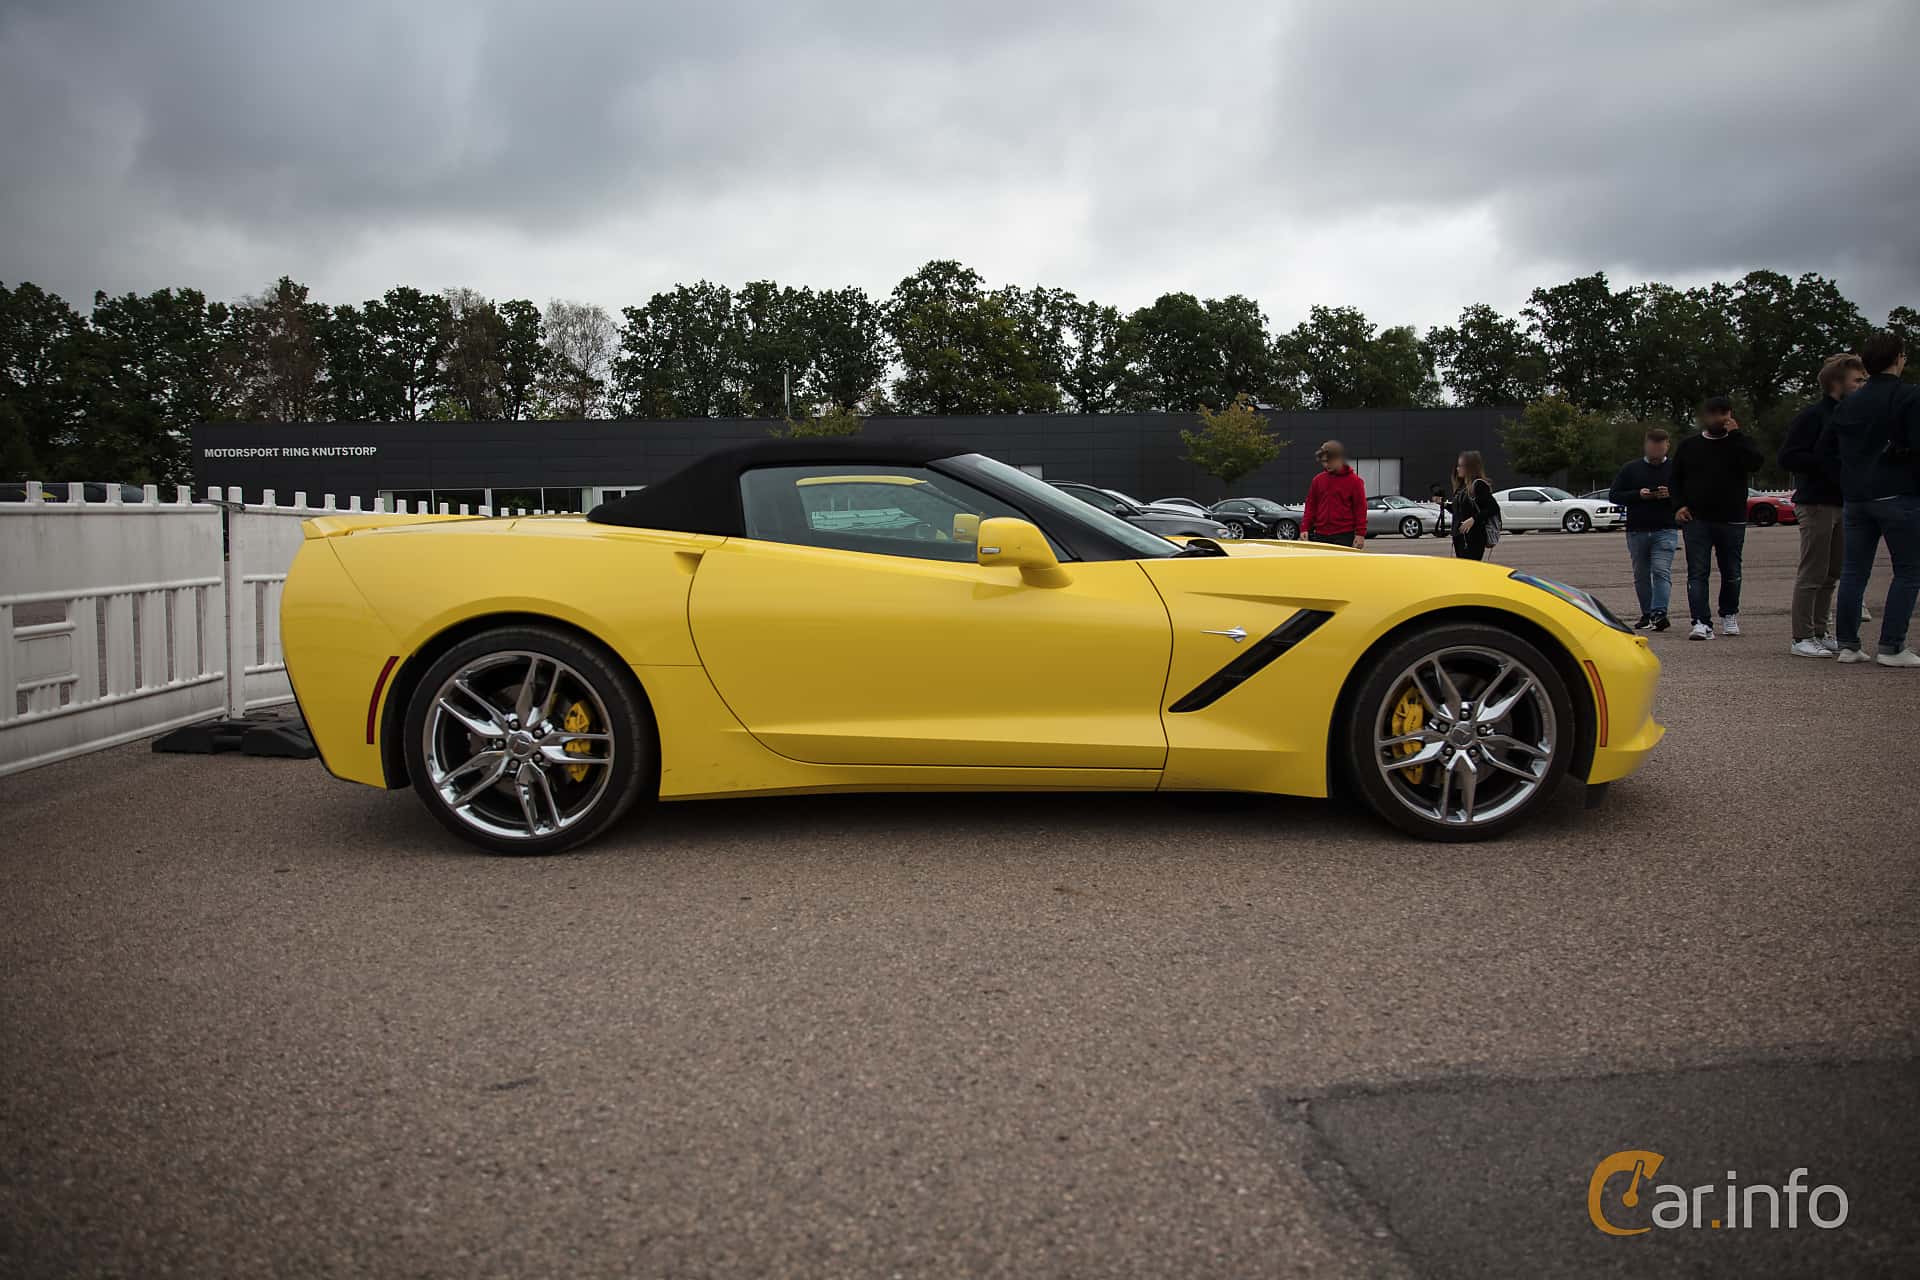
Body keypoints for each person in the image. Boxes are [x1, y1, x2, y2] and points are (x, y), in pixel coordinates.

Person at [1820, 330, 1920, 667]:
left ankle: (1849, 644)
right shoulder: (1908, 397)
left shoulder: (1849, 404)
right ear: (1898, 359)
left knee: (1853, 571)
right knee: (1907, 571)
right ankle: (1892, 646)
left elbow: (1827, 450)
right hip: (1897, 492)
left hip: (1856, 496)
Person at [1778, 354, 1868, 656]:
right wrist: (1829, 464)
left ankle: (1820, 629)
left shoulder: (1852, 415)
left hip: (1842, 501)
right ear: (1836, 383)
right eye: (1857, 380)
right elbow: (1788, 456)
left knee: (1832, 572)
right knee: (1813, 571)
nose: (1862, 385)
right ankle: (1801, 636)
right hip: (1816, 502)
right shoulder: (1813, 416)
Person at [1671, 395, 1763, 640]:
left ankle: (1729, 613)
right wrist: (1678, 505)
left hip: (1731, 518)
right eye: (1714, 413)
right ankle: (1701, 622)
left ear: (1731, 415)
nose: (1719, 418)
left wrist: (1737, 437)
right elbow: (1675, 479)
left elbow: (1755, 463)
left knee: (1731, 570)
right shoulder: (1689, 446)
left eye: (1724, 413)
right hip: (1697, 519)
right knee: (1697, 572)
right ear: (1705, 416)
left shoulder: (1740, 443)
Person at [1608, 427, 1679, 630]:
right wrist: (1638, 495)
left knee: (1661, 571)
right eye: (1652, 445)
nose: (1656, 450)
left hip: (1665, 529)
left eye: (1660, 446)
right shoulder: (1630, 469)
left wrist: (1671, 494)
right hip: (1637, 530)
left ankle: (1659, 613)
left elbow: (1691, 494)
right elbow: (1615, 495)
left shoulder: (1675, 469)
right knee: (1641, 574)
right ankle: (1647, 614)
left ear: (1667, 446)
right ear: (1645, 445)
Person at [1302, 440, 1366, 548]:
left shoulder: (1355, 481)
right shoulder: (1318, 480)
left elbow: (1360, 509)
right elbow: (1311, 506)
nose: (1326, 464)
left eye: (1329, 461)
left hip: (1344, 535)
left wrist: (1360, 534)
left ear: (1339, 458)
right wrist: (1305, 528)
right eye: (1323, 461)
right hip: (1320, 535)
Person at [1449, 451, 1500, 561]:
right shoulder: (1461, 487)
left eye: (1461, 466)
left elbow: (1493, 508)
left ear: (1470, 467)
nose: (1458, 469)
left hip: (1473, 538)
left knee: (1469, 570)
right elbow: (1461, 511)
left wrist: (1473, 519)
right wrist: (1443, 505)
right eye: (1457, 466)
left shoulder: (1478, 485)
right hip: (1459, 537)